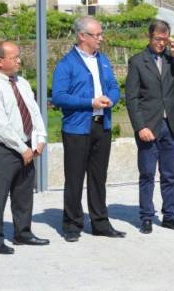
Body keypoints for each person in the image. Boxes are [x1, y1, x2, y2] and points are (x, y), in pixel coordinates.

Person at [52, 16, 124, 242]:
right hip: (76, 129)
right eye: (97, 35)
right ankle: (72, 225)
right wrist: (90, 102)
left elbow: (113, 86)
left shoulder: (103, 60)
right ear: (82, 36)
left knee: (98, 177)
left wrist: (111, 99)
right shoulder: (66, 64)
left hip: (102, 125)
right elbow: (59, 97)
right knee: (74, 178)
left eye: (101, 34)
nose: (101, 38)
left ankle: (100, 223)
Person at [0, 41, 50, 254]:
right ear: (0, 62)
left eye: (19, 56)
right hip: (4, 150)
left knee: (24, 193)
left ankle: (23, 233)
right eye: (14, 57)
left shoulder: (22, 83)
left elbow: (34, 113)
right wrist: (21, 148)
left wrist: (40, 138)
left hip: (27, 146)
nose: (19, 60)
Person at [125, 20, 174, 234]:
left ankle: (170, 215)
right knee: (147, 174)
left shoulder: (171, 59)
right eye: (157, 39)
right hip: (149, 127)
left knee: (169, 175)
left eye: (165, 40)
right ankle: (146, 216)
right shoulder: (137, 61)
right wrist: (140, 127)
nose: (161, 43)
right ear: (150, 37)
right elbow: (132, 98)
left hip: (171, 126)